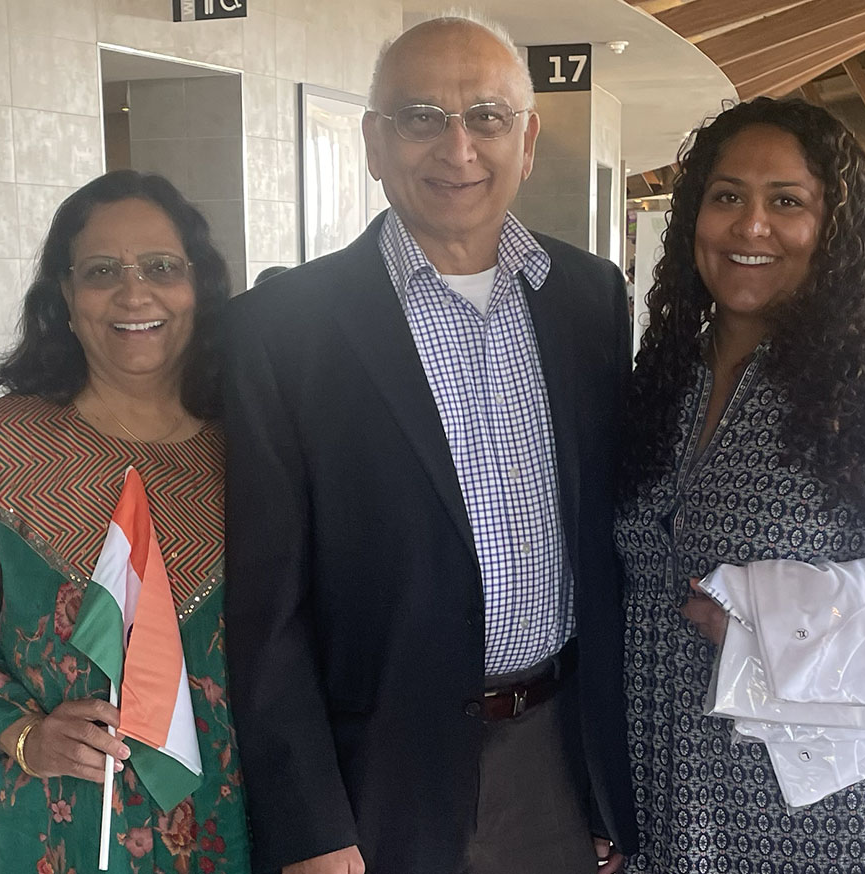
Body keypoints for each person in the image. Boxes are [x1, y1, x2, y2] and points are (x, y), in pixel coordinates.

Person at [224, 14, 636, 874]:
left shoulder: (590, 299)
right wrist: (312, 825)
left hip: (552, 754)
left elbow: (603, 548)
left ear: (528, 141)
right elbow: (267, 610)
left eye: (487, 117)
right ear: (375, 142)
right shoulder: (284, 328)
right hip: (374, 772)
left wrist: (604, 781)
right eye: (421, 117)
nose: (458, 150)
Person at [617, 97, 865, 873]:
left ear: (833, 230)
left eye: (787, 202)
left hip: (837, 813)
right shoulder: (662, 384)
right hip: (669, 792)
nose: (751, 226)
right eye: (727, 196)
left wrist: (777, 616)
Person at [0, 170, 251, 873]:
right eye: (102, 272)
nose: (134, 293)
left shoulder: (252, 447)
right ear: (65, 296)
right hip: (51, 819)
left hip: (227, 813)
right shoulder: (0, 446)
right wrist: (26, 736)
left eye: (161, 267)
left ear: (199, 287)